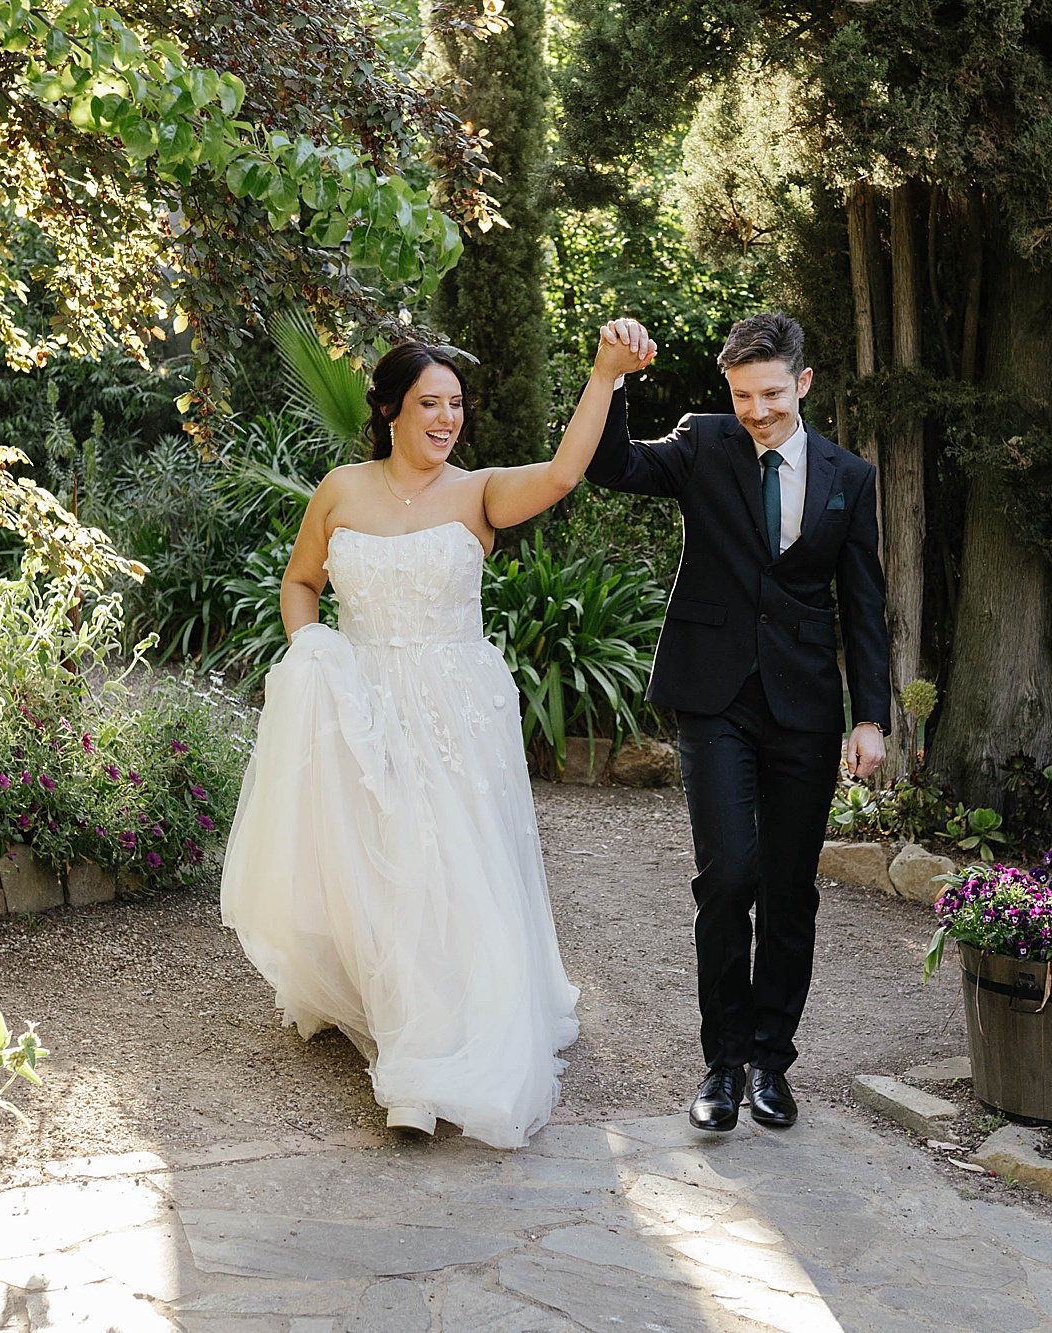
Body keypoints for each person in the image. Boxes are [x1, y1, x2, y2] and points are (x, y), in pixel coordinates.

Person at [219, 319, 659, 1148]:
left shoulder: (479, 492)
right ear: (390, 409)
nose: (448, 418)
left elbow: (564, 474)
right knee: (384, 869)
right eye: (430, 402)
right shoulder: (340, 490)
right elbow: (301, 583)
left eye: (457, 403)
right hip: (363, 702)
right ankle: (406, 1030)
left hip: (455, 712)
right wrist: (314, 652)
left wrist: (605, 374)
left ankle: (425, 1069)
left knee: (446, 868)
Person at [585, 312, 890, 1132]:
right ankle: (721, 1063)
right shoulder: (703, 442)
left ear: (804, 382)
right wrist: (612, 376)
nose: (756, 411)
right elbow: (611, 464)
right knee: (727, 877)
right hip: (713, 695)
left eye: (772, 394)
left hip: (804, 705)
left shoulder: (849, 477)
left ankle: (769, 1063)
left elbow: (863, 604)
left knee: (790, 889)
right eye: (743, 395)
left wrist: (869, 716)